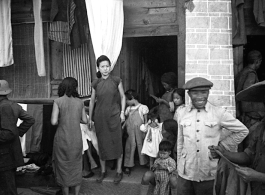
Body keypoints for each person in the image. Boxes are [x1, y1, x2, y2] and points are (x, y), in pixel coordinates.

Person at [174, 77, 249, 195]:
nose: (199, 97)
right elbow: (180, 141)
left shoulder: (218, 113)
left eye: (204, 92)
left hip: (209, 172)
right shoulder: (181, 112)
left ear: (208, 93)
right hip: (185, 171)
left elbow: (242, 130)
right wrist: (179, 166)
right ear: (188, 94)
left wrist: (222, 146)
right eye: (195, 93)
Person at [210, 80, 265, 195]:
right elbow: (248, 155)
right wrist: (224, 153)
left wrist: (258, 176)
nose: (259, 107)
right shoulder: (261, 128)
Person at [88, 55, 126, 184]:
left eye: (107, 66)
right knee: (102, 144)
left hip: (114, 116)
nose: (105, 69)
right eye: (102, 66)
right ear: (98, 68)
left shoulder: (116, 80)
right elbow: (92, 101)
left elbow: (123, 97)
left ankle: (119, 171)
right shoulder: (96, 83)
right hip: (100, 117)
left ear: (110, 67)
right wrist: (90, 118)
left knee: (117, 143)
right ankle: (103, 171)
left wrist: (122, 113)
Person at [51, 77, 88, 195]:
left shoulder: (58, 101)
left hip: (62, 138)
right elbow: (85, 120)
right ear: (75, 88)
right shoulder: (79, 102)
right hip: (76, 139)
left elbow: (53, 122)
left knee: (63, 166)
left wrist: (63, 119)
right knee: (76, 166)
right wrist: (74, 118)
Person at [0, 80, 35, 195]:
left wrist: (15, 133)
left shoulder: (3, 107)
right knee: (9, 185)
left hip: (4, 154)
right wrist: (18, 132)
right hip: (10, 152)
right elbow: (30, 119)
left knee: (7, 187)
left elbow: (8, 133)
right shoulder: (14, 106)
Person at [235, 50, 265, 150]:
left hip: (247, 114)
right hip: (251, 116)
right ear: (257, 61)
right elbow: (248, 94)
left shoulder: (243, 72)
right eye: (260, 62)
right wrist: (257, 113)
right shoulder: (251, 74)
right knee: (251, 144)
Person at [140, 119, 178, 195]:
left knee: (173, 180)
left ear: (169, 131)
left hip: (170, 176)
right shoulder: (163, 141)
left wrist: (167, 169)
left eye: (163, 129)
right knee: (147, 175)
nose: (161, 131)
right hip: (159, 175)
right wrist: (155, 167)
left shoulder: (178, 144)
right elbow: (157, 160)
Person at [123, 89, 149, 175]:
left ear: (133, 98)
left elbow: (145, 120)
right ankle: (128, 164)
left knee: (141, 145)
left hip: (139, 130)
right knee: (129, 146)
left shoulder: (143, 107)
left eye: (127, 100)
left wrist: (145, 129)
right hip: (130, 130)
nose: (126, 102)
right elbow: (126, 119)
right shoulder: (128, 109)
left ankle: (145, 162)